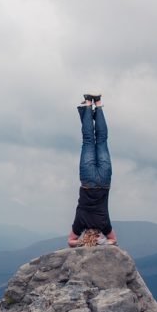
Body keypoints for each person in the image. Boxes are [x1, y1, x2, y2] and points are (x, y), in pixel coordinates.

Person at [68, 93, 118, 247]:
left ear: (98, 235)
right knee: (89, 140)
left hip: (104, 182)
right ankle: (89, 104)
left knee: (102, 140)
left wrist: (103, 242)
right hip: (88, 181)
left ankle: (98, 103)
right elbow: (70, 241)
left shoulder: (105, 225)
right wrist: (81, 242)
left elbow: (113, 240)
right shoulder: (80, 223)